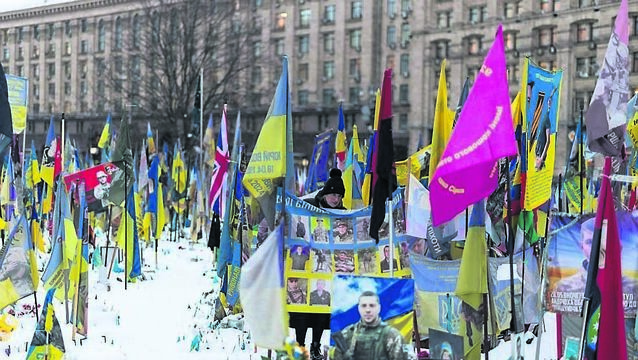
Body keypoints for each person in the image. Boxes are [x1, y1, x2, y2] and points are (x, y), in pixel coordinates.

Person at [290, 168, 346, 360]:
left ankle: (315, 345)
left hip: (327, 271)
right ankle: (300, 346)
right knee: (303, 310)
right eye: (333, 194)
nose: (335, 199)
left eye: (339, 196)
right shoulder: (309, 206)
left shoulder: (344, 215)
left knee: (322, 310)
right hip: (306, 266)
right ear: (325, 193)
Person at [332, 291, 406, 360]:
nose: (368, 310)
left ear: (379, 308)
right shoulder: (347, 334)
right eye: (364, 306)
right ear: (359, 308)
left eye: (372, 306)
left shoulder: (392, 335)